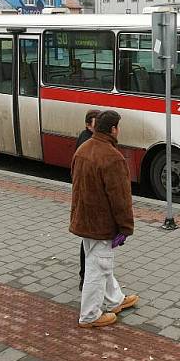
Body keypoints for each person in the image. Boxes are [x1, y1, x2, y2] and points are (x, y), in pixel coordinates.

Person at [69, 110, 138, 328]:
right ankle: (89, 315)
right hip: (101, 223)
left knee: (97, 262)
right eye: (118, 127)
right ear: (113, 129)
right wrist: (126, 227)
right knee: (98, 267)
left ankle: (115, 300)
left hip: (83, 219)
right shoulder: (112, 157)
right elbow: (120, 197)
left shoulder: (83, 149)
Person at [73, 108, 100, 291]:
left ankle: (88, 276)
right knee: (89, 242)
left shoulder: (89, 139)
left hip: (86, 199)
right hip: (89, 201)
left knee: (89, 242)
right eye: (96, 124)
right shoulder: (87, 142)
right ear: (88, 125)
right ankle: (86, 277)